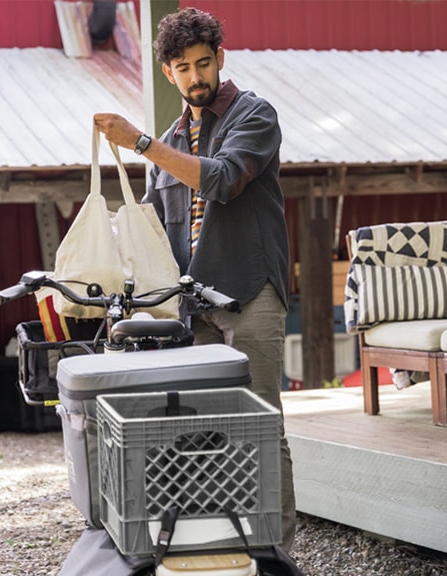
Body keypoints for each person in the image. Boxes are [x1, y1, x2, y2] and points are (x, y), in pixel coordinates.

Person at [93, 7, 296, 551]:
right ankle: (221, 550)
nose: (195, 77)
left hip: (252, 290)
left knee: (260, 425)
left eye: (203, 64)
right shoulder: (167, 141)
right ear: (168, 74)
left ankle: (275, 553)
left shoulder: (255, 114)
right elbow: (158, 235)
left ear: (220, 59)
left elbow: (225, 181)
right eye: (182, 68)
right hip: (195, 306)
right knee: (204, 433)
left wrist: (139, 144)